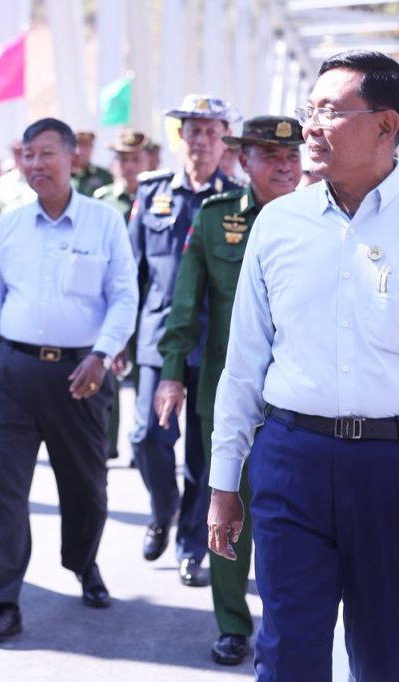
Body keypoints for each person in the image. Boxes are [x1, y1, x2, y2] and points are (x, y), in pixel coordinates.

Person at [209, 50, 399, 681]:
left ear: (386, 124)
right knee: (288, 651)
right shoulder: (278, 223)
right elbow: (244, 360)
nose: (311, 126)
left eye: (331, 112)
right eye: (309, 109)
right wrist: (223, 482)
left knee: (386, 655)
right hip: (293, 460)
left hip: (389, 466)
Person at [0, 118, 138, 645]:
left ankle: (83, 563)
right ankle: (2, 601)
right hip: (13, 374)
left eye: (47, 153)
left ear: (72, 158)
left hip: (80, 376)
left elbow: (124, 296)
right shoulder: (10, 225)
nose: (36, 164)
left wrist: (102, 354)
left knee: (86, 490)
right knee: (4, 492)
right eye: (28, 154)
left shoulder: (104, 222)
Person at [153, 116, 303, 666]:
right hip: (228, 392)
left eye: (292, 156)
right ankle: (233, 623)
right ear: (244, 161)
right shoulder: (215, 219)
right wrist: (172, 372)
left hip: (298, 399)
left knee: (291, 520)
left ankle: (285, 625)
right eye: (270, 155)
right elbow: (185, 302)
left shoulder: (320, 217)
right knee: (226, 505)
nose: (284, 166)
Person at [128, 94, 239, 587]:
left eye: (212, 132)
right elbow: (132, 271)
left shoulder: (236, 200)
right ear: (182, 137)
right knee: (147, 437)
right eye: (194, 131)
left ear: (225, 139)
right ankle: (162, 508)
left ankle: (192, 547)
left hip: (214, 342)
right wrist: (122, 340)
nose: (202, 141)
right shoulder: (153, 191)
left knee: (202, 452)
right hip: (158, 338)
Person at [94, 129, 150, 461]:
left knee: (144, 377)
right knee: (108, 374)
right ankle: (107, 444)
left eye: (135, 159)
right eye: (123, 159)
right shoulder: (103, 201)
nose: (129, 166)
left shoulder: (158, 199)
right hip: (110, 300)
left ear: (147, 161)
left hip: (147, 302)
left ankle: (140, 447)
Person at [71, 130, 114, 197]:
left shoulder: (103, 175)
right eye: (78, 144)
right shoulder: (62, 174)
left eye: (86, 145)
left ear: (92, 148)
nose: (81, 151)